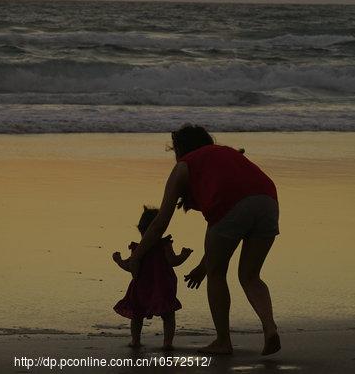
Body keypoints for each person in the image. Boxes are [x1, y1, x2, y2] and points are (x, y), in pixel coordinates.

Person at [116, 125, 281, 356]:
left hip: (232, 206)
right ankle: (269, 327)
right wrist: (204, 265)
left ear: (181, 149)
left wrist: (137, 256)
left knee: (217, 274)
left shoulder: (185, 165)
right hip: (268, 200)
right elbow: (223, 229)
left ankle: (223, 341)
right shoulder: (226, 153)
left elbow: (160, 223)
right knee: (251, 276)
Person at [112, 206, 193, 350]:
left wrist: (118, 260)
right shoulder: (164, 245)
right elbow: (173, 261)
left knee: (137, 315)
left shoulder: (138, 249)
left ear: (140, 229)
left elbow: (130, 267)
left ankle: (135, 341)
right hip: (163, 286)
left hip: (141, 288)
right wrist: (184, 255)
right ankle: (167, 342)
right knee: (168, 315)